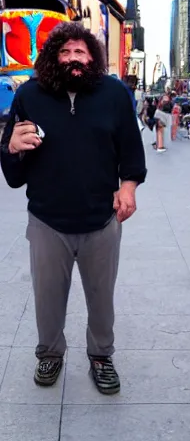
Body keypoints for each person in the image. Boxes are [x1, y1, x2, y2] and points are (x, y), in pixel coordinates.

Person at [0, 22, 146, 394]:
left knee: (102, 298)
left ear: (92, 56)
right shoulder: (30, 96)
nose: (72, 58)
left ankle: (101, 357)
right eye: (64, 52)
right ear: (52, 57)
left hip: (102, 220)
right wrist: (12, 147)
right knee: (47, 298)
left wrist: (127, 187)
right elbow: (13, 174)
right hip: (47, 220)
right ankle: (50, 353)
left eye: (80, 51)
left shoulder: (113, 94)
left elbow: (131, 148)